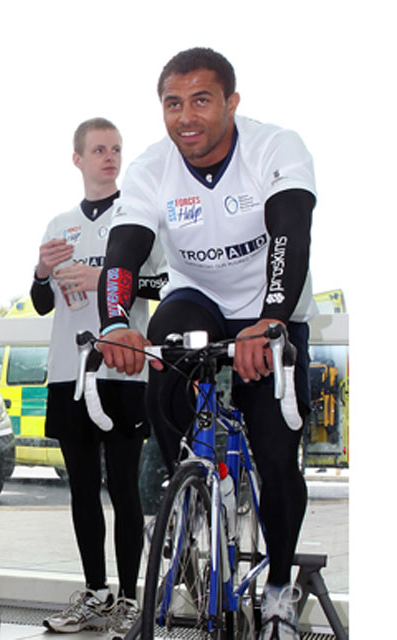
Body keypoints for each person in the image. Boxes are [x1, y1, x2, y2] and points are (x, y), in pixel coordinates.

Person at [95, 48, 316, 640]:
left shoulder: (275, 147)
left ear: (231, 103)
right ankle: (190, 489)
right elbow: (125, 250)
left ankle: (276, 595)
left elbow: (290, 234)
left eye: (201, 100)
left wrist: (270, 321)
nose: (185, 116)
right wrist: (115, 320)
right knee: (162, 360)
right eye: (173, 103)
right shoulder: (150, 168)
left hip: (271, 306)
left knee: (275, 455)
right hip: (200, 300)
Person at [32, 119, 165, 634]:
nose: (109, 158)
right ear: (78, 159)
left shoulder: (138, 218)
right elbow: (43, 302)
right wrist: (42, 273)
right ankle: (95, 594)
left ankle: (130, 599)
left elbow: (161, 283)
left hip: (123, 371)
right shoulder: (59, 223)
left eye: (116, 149)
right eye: (98, 150)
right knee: (82, 489)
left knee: (126, 489)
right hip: (69, 371)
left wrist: (106, 278)